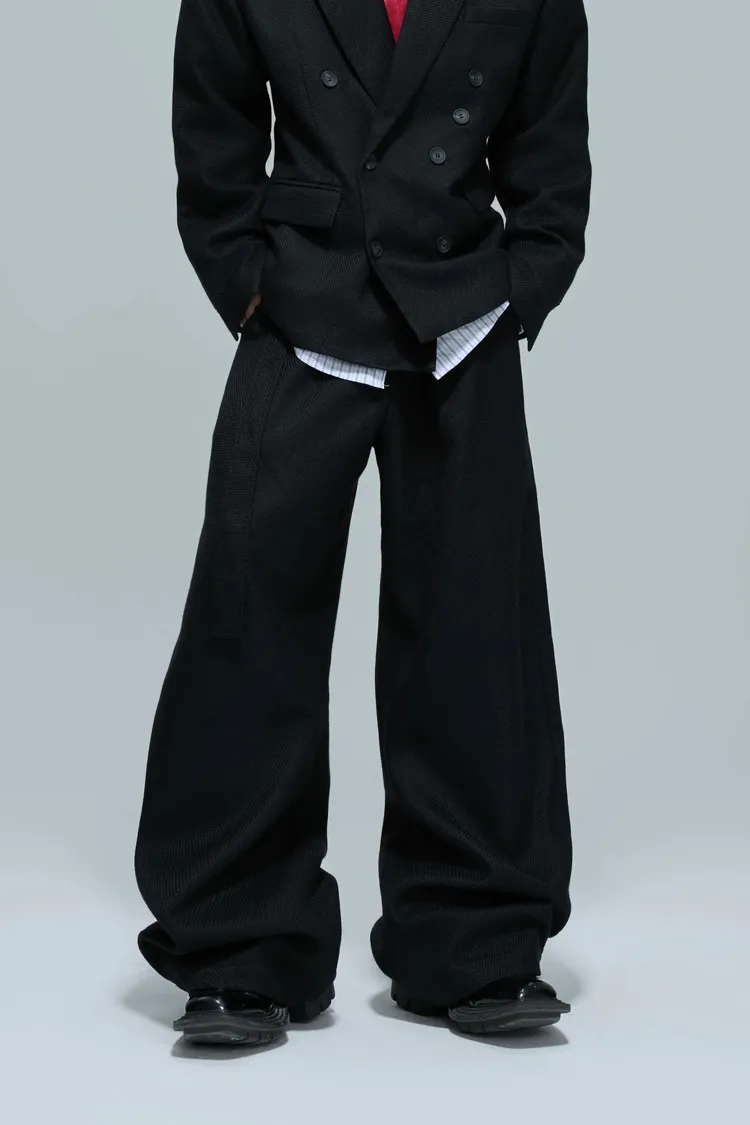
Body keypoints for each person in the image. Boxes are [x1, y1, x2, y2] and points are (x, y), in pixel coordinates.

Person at [134, 0, 592, 1047]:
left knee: (476, 628)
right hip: (302, 303)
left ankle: (477, 940)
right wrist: (246, 283)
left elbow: (549, 143)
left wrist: (523, 284)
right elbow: (213, 128)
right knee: (248, 621)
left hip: (462, 311)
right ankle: (239, 948)